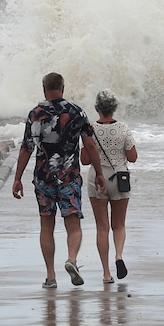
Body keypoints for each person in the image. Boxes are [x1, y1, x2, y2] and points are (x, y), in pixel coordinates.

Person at [12, 72, 105, 288]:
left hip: (43, 178)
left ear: (44, 89)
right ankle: (72, 259)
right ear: (63, 88)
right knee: (73, 225)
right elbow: (90, 145)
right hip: (69, 177)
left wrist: (17, 179)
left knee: (47, 225)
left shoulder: (35, 114)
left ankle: (51, 276)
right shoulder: (76, 111)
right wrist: (99, 172)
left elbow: (26, 148)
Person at [87, 89, 137, 283]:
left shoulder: (90, 129)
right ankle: (119, 255)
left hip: (97, 178)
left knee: (102, 227)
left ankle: (106, 274)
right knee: (119, 224)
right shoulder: (123, 128)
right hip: (119, 178)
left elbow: (84, 159)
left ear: (96, 108)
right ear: (114, 108)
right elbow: (132, 157)